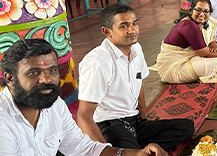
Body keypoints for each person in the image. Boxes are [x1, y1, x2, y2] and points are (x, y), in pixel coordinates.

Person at [0, 39, 169, 156]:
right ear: (10, 79)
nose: (46, 80)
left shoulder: (55, 106)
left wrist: (136, 153)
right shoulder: (3, 119)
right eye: (33, 73)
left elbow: (85, 149)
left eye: (52, 70)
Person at [77, 5, 195, 152]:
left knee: (186, 127)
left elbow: (139, 84)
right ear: (106, 32)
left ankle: (137, 149)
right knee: (130, 150)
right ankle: (135, 150)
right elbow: (83, 116)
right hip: (110, 124)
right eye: (123, 26)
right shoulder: (98, 62)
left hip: (133, 120)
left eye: (135, 23)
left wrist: (144, 116)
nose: (132, 30)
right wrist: (105, 152)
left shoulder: (136, 49)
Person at [152, 0, 217, 84]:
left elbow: (212, 40)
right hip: (173, 68)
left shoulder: (205, 22)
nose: (202, 14)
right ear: (191, 11)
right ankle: (208, 74)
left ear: (210, 13)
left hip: (191, 57)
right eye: (198, 10)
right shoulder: (189, 26)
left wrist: (214, 48)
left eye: (206, 11)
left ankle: (211, 70)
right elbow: (204, 53)